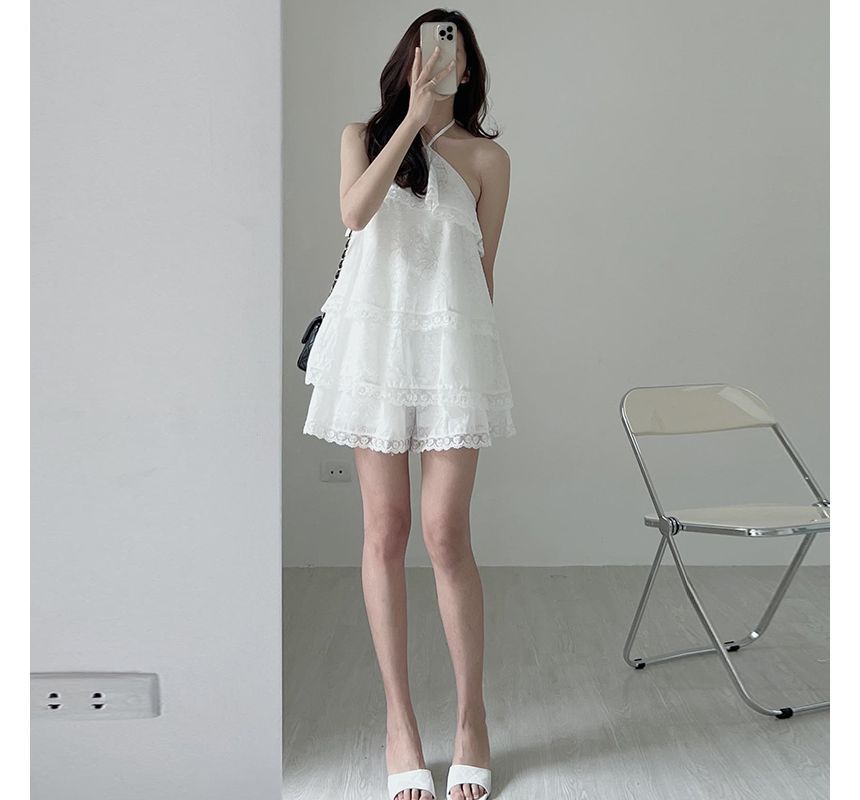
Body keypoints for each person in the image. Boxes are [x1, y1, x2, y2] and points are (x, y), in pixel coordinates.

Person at [303, 12, 514, 800]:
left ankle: (471, 720)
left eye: (453, 46)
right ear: (408, 60)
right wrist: (414, 123)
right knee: (385, 531)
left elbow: (483, 272)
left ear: (470, 67)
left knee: (445, 532)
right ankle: (400, 725)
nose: (440, 56)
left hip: (451, 349)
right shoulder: (362, 136)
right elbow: (356, 213)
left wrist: (476, 365)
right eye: (428, 45)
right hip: (376, 352)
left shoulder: (489, 159)